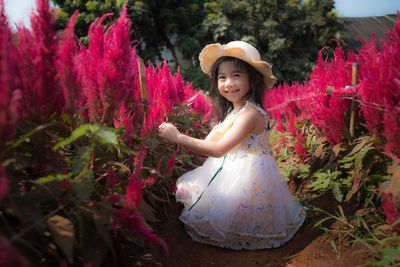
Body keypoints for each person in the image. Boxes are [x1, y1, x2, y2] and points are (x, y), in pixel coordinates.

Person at [158, 41, 306, 250]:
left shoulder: (251, 114)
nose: (229, 83)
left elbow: (217, 150)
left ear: (252, 79)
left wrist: (178, 137)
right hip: (231, 169)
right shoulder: (233, 113)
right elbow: (208, 144)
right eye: (222, 77)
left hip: (251, 175)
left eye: (236, 75)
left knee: (243, 218)